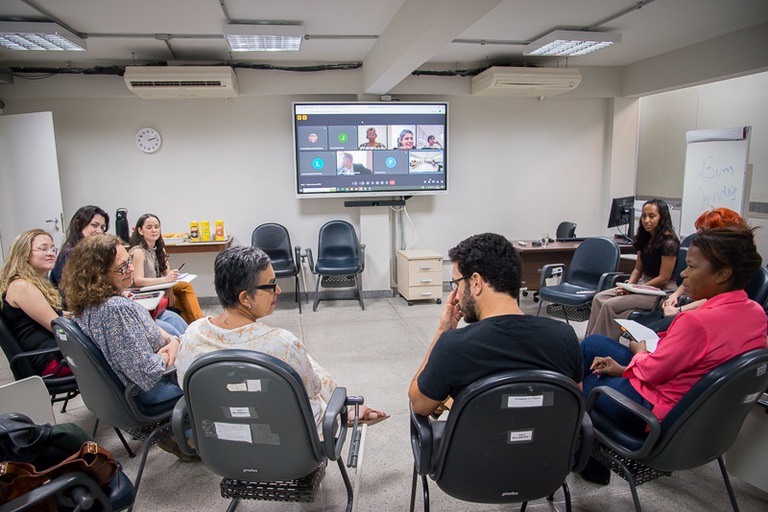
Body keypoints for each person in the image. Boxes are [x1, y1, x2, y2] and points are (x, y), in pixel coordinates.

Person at [579, 226, 766, 484]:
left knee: (577, 386)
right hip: (700, 416)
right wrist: (626, 367)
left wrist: (639, 354)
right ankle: (586, 455)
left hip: (653, 411)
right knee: (593, 345)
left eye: (691, 266)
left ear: (723, 273)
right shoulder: (756, 313)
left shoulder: (697, 322)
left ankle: (585, 457)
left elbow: (653, 371)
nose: (683, 274)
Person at [175, 246, 388, 431]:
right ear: (245, 298)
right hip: (288, 445)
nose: (277, 290)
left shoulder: (192, 335)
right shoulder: (280, 344)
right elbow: (312, 389)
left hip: (221, 444)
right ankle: (346, 409)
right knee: (303, 367)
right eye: (270, 285)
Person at [408, 233, 582, 417]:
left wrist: (442, 331)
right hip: (549, 445)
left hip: (476, 446)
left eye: (456, 284)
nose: (456, 296)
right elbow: (574, 407)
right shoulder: (565, 337)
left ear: (476, 283)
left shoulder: (452, 347)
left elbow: (418, 404)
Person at [61, 233, 192, 460]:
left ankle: (182, 434)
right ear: (97, 275)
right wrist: (172, 348)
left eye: (129, 261)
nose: (131, 269)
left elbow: (147, 331)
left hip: (119, 393)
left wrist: (172, 341)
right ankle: (197, 439)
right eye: (122, 268)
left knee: (172, 325)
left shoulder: (86, 305)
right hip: (150, 390)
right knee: (215, 372)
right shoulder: (116, 310)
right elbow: (147, 372)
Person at [585, 199, 680, 340]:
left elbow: (663, 278)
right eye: (643, 216)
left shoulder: (669, 242)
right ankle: (589, 342)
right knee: (599, 298)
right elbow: (637, 270)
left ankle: (600, 346)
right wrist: (629, 286)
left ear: (662, 217)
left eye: (652, 216)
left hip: (660, 291)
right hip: (642, 286)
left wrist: (633, 289)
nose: (646, 220)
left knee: (610, 305)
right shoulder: (645, 238)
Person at [642, 207, 748, 332]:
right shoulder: (706, 257)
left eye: (704, 231)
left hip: (694, 312)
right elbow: (689, 280)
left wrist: (680, 310)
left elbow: (712, 300)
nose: (683, 273)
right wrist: (675, 295)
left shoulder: (729, 267)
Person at [0, 229, 70, 376]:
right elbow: (57, 326)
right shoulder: (22, 286)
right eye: (43, 248)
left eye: (52, 248)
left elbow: (57, 315)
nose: (51, 253)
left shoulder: (29, 283)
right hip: (52, 361)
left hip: (53, 355)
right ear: (24, 253)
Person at [128, 213, 203, 325]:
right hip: (146, 291)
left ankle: (195, 327)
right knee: (184, 303)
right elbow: (138, 281)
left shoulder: (160, 249)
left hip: (160, 287)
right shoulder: (138, 251)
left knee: (184, 287)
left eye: (156, 227)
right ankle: (200, 325)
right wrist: (165, 281)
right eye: (149, 227)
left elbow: (168, 274)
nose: (154, 230)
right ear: (140, 231)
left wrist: (170, 287)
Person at [51, 205, 109, 287]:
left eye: (102, 227)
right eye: (94, 225)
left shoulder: (95, 252)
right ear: (78, 224)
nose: (99, 231)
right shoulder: (69, 254)